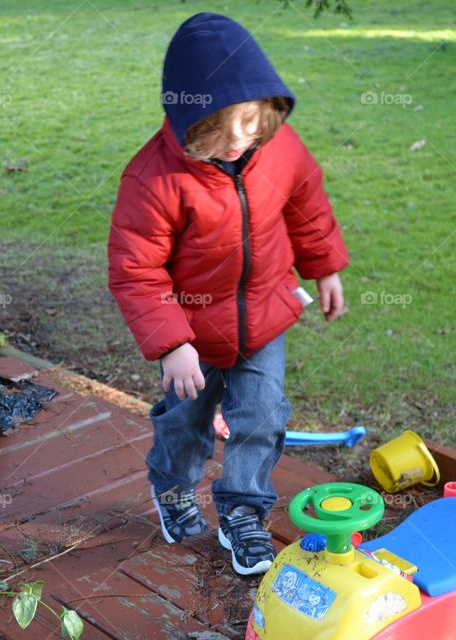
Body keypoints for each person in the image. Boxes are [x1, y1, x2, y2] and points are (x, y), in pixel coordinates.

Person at [107, 12, 349, 576]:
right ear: (191, 118)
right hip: (190, 337)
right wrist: (172, 344)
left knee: (261, 416)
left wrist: (326, 268)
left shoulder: (281, 150)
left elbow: (306, 206)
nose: (240, 140)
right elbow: (136, 270)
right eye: (222, 129)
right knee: (185, 424)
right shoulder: (154, 180)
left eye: (251, 123)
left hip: (263, 320)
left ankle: (243, 511)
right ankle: (172, 486)